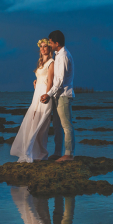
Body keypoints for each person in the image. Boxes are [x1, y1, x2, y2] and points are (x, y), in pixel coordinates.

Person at [10, 39, 55, 162]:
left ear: (49, 48)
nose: (43, 48)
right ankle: (31, 152)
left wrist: (47, 95)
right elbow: (42, 77)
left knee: (41, 126)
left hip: (44, 95)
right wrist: (36, 82)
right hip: (36, 94)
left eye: (45, 46)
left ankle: (40, 154)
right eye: (41, 46)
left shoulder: (51, 62)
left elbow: (50, 81)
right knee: (31, 122)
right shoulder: (41, 62)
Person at [40, 30, 74, 162]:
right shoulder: (58, 55)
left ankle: (69, 154)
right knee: (57, 126)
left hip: (64, 95)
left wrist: (48, 94)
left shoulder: (64, 56)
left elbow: (59, 81)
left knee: (66, 125)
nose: (49, 44)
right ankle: (58, 152)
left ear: (57, 43)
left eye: (50, 42)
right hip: (58, 95)